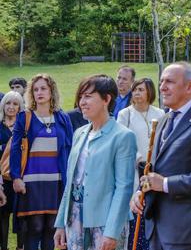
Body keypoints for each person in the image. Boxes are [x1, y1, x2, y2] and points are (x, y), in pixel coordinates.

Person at [130, 62, 191, 250]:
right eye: (161, 81)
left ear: (190, 87)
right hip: (156, 228)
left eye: (170, 82)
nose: (162, 87)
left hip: (186, 230)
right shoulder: (164, 119)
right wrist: (142, 191)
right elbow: (157, 169)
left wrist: (165, 184)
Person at [53, 75, 137, 250]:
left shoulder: (123, 136)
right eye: (81, 97)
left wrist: (112, 231)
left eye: (88, 96)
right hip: (75, 218)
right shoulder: (80, 133)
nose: (82, 102)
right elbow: (71, 183)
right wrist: (61, 222)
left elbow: (124, 188)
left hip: (106, 221)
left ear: (106, 99)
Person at [11, 74, 73, 250]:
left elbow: (69, 149)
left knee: (51, 228)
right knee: (35, 227)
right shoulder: (25, 117)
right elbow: (15, 150)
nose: (39, 92)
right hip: (31, 182)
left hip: (56, 181)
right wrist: (16, 177)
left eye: (43, 88)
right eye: (35, 89)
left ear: (51, 91)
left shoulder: (62, 118)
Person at [117, 78, 164, 250]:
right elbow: (121, 141)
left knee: (153, 208)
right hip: (134, 168)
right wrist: (139, 159)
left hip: (155, 169)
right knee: (137, 208)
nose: (137, 93)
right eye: (135, 89)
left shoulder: (159, 113)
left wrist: (154, 161)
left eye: (141, 90)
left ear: (149, 92)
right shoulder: (125, 114)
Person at [0, 92, 20, 250]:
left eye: (15, 104)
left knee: (21, 217)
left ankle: (21, 246)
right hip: (2, 180)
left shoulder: (23, 126)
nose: (11, 107)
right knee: (2, 216)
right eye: (8, 103)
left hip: (19, 179)